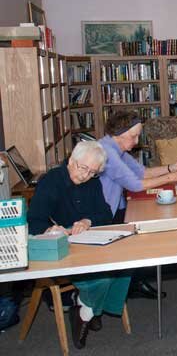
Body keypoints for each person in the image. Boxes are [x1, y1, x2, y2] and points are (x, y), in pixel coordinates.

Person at [27, 141, 130, 349]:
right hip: (63, 246)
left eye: (92, 172)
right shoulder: (52, 181)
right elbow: (35, 220)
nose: (85, 176)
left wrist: (87, 221)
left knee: (124, 266)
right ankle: (89, 311)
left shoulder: (92, 181)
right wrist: (51, 230)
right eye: (83, 168)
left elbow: (105, 214)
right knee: (102, 275)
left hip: (89, 240)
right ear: (72, 160)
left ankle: (86, 309)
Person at [99, 110, 177, 299]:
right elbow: (136, 185)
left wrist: (173, 167)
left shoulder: (117, 148)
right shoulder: (108, 153)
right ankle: (123, 287)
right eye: (133, 136)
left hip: (116, 205)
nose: (137, 141)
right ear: (120, 134)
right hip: (102, 211)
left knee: (134, 240)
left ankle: (132, 282)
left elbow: (142, 172)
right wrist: (175, 177)